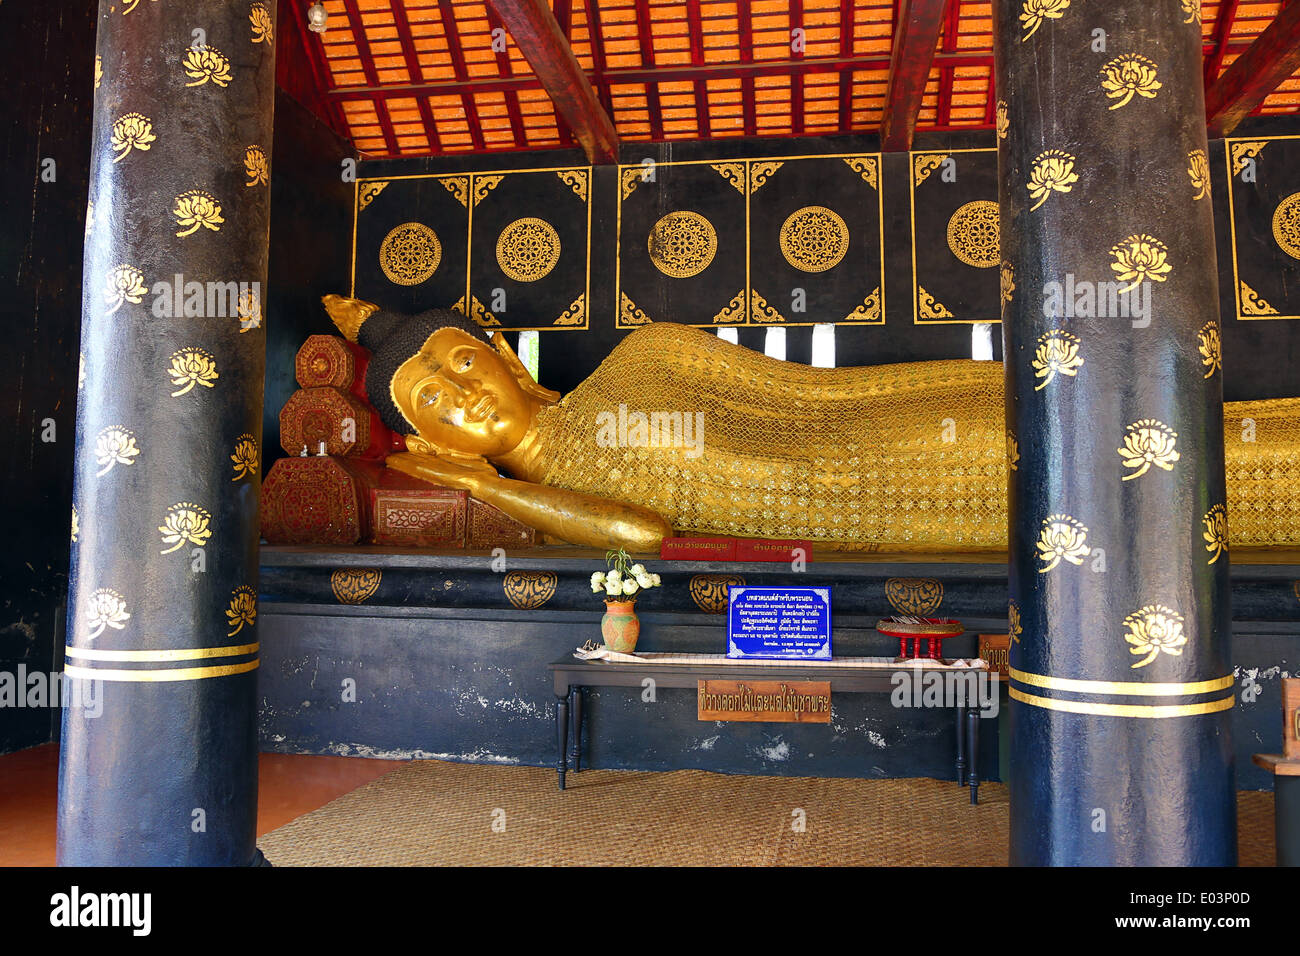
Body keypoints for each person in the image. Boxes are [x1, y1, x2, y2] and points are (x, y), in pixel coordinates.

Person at [323, 294, 1299, 553]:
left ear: (493, 347)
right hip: (842, 501)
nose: (466, 393)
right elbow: (644, 534)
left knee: (1062, 420)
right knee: (1075, 474)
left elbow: (795, 394)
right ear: (438, 441)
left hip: (862, 429)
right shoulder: (552, 486)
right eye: (438, 405)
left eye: (460, 364)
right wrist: (491, 488)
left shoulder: (641, 354)